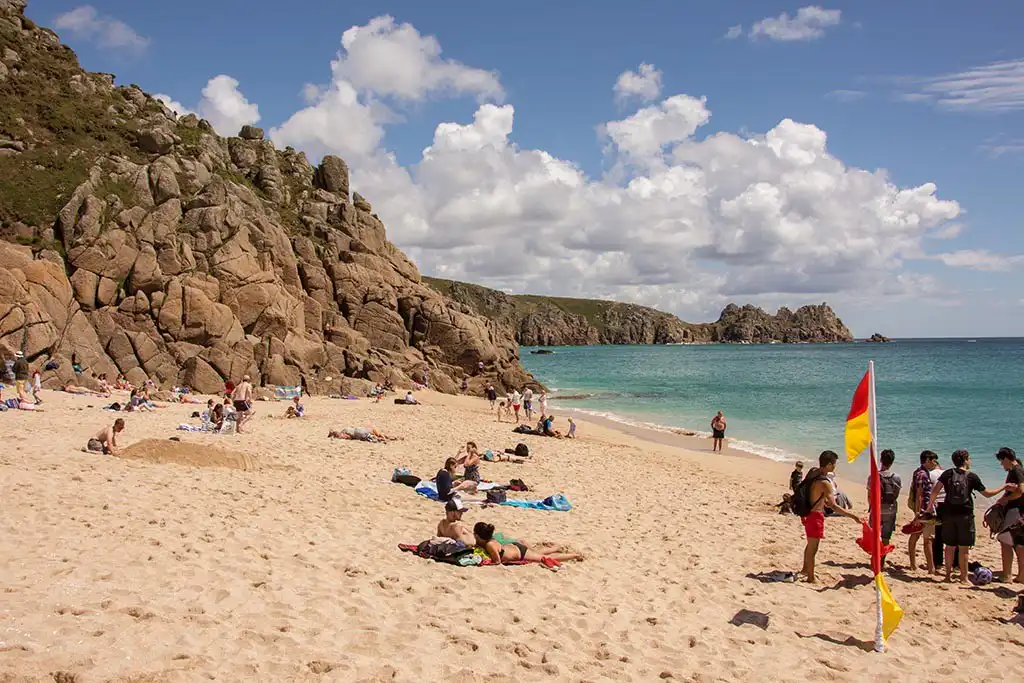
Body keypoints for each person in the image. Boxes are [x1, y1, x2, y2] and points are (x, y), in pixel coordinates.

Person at [927, 449, 1010, 583]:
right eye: (969, 458)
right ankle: (964, 577)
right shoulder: (972, 476)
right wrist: (1004, 487)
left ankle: (947, 576)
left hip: (948, 514)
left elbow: (934, 491)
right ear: (965, 459)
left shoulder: (947, 473)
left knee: (949, 546)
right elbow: (987, 494)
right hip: (965, 515)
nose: (970, 460)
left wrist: (930, 507)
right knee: (963, 548)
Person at [798, 450, 863, 583]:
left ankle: (805, 569)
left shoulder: (813, 472)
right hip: (815, 516)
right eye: (833, 464)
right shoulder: (825, 483)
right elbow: (833, 506)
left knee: (810, 545)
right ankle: (810, 577)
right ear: (828, 465)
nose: (834, 467)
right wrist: (852, 516)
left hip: (807, 513)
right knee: (813, 547)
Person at [473, 522, 583, 564]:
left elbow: (497, 562)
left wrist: (483, 563)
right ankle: (556, 547)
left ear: (478, 536)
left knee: (544, 558)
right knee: (538, 553)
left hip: (520, 552)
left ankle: (575, 555)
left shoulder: (489, 545)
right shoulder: (490, 540)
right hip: (515, 548)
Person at [991, 447, 1024, 583]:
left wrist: (1005, 499)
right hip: (1020, 510)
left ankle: (1007, 575)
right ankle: (1021, 576)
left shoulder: (1016, 470)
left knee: (1005, 540)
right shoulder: (1019, 469)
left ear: (1006, 459)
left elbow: (1021, 491)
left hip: (1015, 510)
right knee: (1019, 544)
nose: (1001, 464)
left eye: (1001, 461)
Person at [907, 450, 939, 573]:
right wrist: (918, 513)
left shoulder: (918, 472)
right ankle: (930, 568)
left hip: (922, 509)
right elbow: (919, 494)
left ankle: (913, 564)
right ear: (927, 461)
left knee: (916, 535)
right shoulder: (923, 475)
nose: (935, 463)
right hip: (925, 510)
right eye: (933, 461)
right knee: (927, 539)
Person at [868, 449, 902, 559]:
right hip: (890, 509)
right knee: (886, 537)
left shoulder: (873, 476)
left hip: (877, 509)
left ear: (881, 460)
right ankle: (882, 559)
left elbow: (870, 496)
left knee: (875, 535)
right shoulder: (896, 477)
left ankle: (875, 558)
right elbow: (896, 495)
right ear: (892, 462)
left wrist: (871, 507)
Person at [327, 426, 397, 442]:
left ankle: (384, 439)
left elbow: (347, 437)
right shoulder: (346, 429)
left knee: (375, 437)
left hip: (359, 434)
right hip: (361, 429)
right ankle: (391, 437)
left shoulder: (342, 433)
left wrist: (352, 438)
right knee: (377, 434)